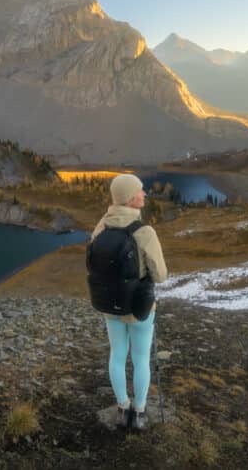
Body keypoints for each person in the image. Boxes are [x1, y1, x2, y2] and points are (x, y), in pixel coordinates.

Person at [90, 173, 168, 431]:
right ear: (129, 197)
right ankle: (140, 412)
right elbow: (161, 275)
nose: (144, 193)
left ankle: (122, 409)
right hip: (139, 308)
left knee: (117, 356)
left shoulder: (101, 227)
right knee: (141, 358)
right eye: (140, 190)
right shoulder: (144, 232)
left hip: (110, 306)